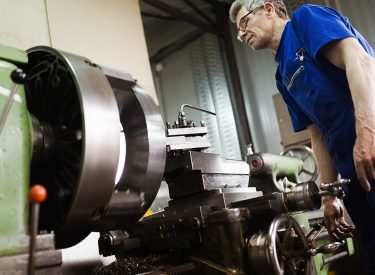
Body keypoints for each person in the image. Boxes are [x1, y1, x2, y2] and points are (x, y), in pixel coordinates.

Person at [229, 0, 375, 273]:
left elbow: (361, 61)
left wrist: (367, 133)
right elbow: (317, 134)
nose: (242, 34)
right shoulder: (281, 76)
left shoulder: (305, 20)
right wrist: (330, 195)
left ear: (269, 8)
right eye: (238, 32)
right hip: (353, 173)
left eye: (245, 23)